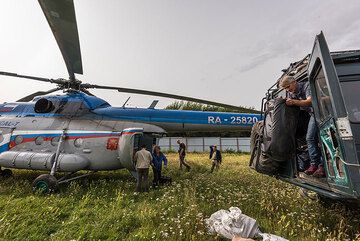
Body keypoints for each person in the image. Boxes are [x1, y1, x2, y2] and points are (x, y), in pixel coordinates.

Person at [279, 75, 325, 177]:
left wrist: (294, 102)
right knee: (312, 139)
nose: (287, 89)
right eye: (285, 88)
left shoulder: (307, 86)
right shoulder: (291, 93)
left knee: (315, 138)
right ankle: (315, 165)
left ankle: (320, 166)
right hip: (312, 114)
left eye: (288, 86)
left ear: (294, 82)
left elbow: (310, 101)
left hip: (322, 112)